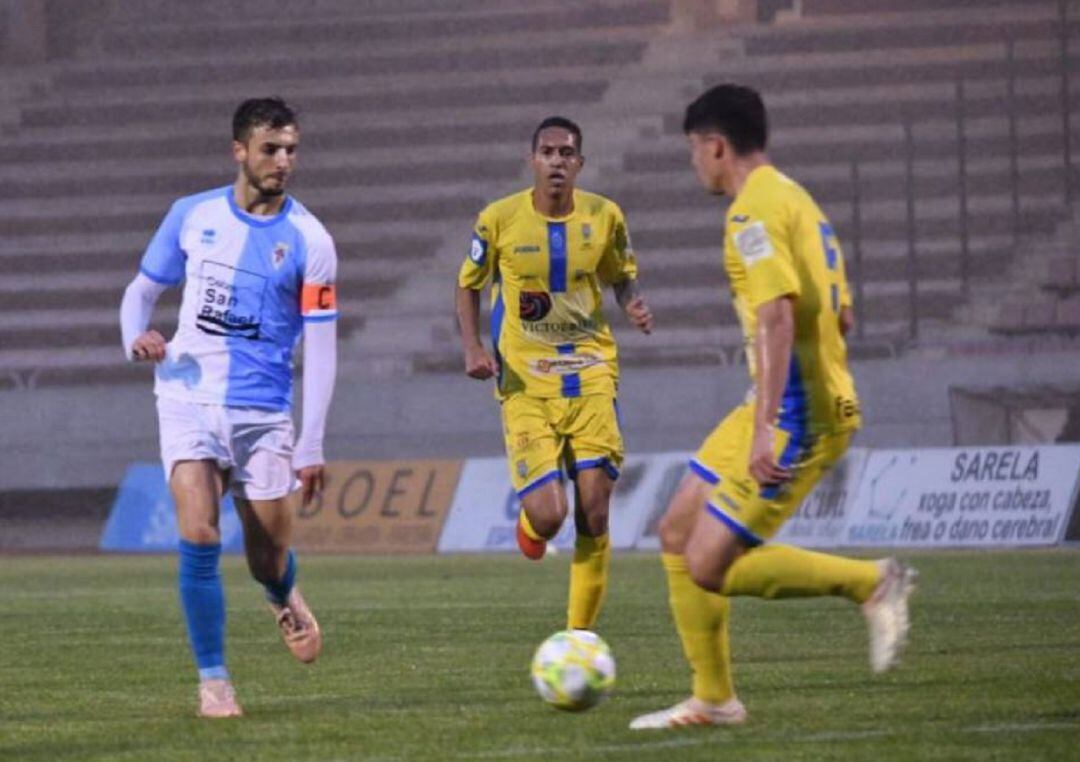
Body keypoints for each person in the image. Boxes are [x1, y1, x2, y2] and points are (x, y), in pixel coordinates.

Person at [630, 84, 916, 730]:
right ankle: (713, 699)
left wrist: (768, 428)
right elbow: (840, 311)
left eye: (693, 151)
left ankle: (871, 583)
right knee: (677, 529)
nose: (694, 164)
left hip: (795, 415)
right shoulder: (795, 198)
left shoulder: (751, 213)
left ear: (716, 146)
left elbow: (778, 315)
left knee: (706, 562)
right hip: (776, 398)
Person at [119, 97, 338, 719]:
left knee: (266, 552)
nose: (284, 161)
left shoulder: (311, 241)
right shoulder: (190, 215)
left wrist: (312, 443)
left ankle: (280, 591)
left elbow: (321, 348)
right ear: (239, 151)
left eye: (292, 149)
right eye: (271, 148)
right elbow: (141, 292)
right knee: (199, 531)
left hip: (262, 411)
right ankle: (214, 681)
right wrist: (136, 338)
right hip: (185, 394)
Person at [455, 116, 654, 632]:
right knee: (550, 516)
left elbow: (621, 278)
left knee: (595, 512)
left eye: (567, 153)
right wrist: (474, 345)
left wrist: (634, 305)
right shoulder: (498, 220)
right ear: (533, 160)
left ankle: (578, 638)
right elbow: (468, 285)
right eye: (548, 152)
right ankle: (532, 523)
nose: (557, 161)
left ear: (580, 163)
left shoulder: (606, 216)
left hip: (590, 374)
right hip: (524, 381)